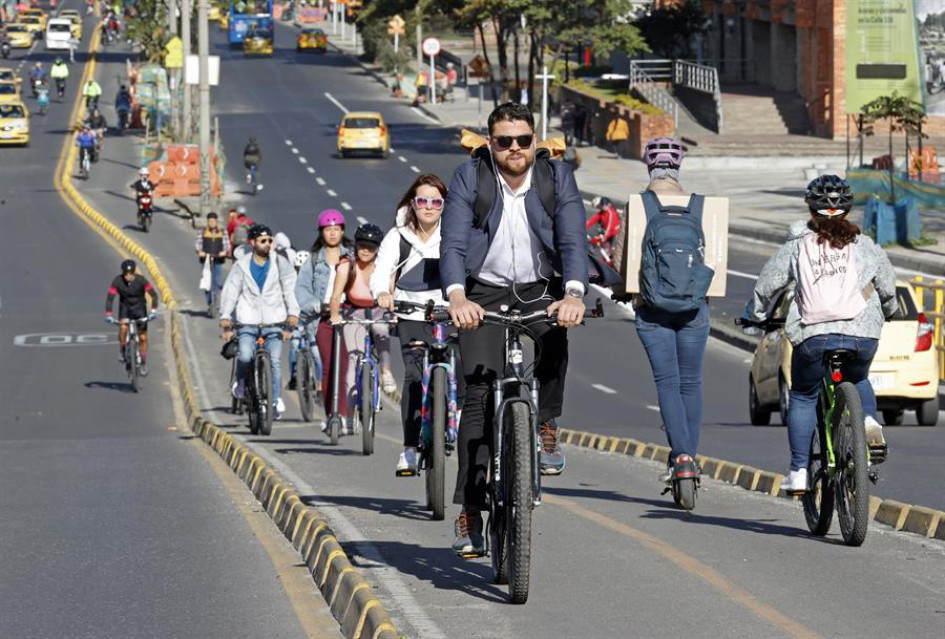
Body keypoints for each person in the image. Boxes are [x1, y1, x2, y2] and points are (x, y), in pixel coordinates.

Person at [440, 102, 589, 556]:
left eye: (523, 140)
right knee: (477, 397)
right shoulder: (470, 177)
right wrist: (456, 296)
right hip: (482, 291)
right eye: (504, 141)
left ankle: (544, 423)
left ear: (534, 141)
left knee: (555, 337)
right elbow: (453, 241)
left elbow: (572, 237)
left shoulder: (555, 176)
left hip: (539, 287)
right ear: (491, 143)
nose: (515, 148)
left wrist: (574, 293)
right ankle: (470, 512)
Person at [746, 175, 898, 492]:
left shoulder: (797, 245)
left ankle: (799, 471)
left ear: (811, 209)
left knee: (803, 395)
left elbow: (767, 285)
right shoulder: (866, 246)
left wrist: (755, 315)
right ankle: (869, 422)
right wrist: (890, 309)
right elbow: (887, 286)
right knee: (858, 378)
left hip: (814, 335)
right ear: (848, 209)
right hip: (861, 334)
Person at [630, 137, 711, 489]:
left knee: (668, 382)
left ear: (649, 166)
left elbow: (624, 260)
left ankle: (680, 457)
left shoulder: (640, 205)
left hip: (652, 309)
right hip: (695, 309)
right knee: (691, 382)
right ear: (679, 167)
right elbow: (715, 261)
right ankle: (689, 460)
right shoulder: (703, 206)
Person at [372, 174, 460, 476]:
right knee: (413, 375)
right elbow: (381, 269)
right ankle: (409, 448)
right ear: (413, 203)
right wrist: (382, 293)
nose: (429, 207)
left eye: (437, 201)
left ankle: (458, 417)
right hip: (411, 312)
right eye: (423, 200)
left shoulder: (455, 232)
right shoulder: (398, 236)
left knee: (463, 364)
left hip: (450, 311)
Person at [219, 224, 300, 422]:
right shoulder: (241, 265)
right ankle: (240, 382)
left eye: (270, 240)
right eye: (263, 241)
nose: (267, 244)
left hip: (274, 320)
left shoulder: (280, 263)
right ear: (253, 242)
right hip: (247, 320)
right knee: (245, 355)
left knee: (275, 361)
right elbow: (231, 291)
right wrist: (226, 316)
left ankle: (275, 399)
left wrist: (293, 313)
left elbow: (290, 289)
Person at [329, 223, 395, 432]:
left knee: (382, 331)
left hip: (378, 310)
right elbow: (336, 296)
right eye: (362, 246)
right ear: (356, 245)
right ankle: (349, 416)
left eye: (371, 247)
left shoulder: (384, 266)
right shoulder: (346, 266)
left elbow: (392, 292)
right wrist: (335, 315)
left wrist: (393, 314)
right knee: (353, 360)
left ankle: (386, 371)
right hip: (354, 312)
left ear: (378, 249)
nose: (366, 250)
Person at [296, 209, 352, 423]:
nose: (332, 233)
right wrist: (315, 305)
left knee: (345, 367)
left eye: (336, 229)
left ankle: (345, 413)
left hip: (348, 315)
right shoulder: (313, 261)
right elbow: (301, 289)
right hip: (322, 318)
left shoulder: (352, 257)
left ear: (342, 231)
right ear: (321, 233)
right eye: (328, 230)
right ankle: (332, 414)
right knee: (328, 366)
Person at [105, 259, 159, 376]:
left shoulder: (141, 281)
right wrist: (108, 314)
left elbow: (154, 295)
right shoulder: (117, 281)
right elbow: (110, 298)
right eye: (125, 274)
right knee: (123, 328)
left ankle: (143, 363)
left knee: (143, 337)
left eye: (130, 274)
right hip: (125, 308)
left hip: (139, 309)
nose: (127, 276)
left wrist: (153, 311)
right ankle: (122, 350)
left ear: (133, 273)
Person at [286, 249, 311, 391]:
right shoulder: (291, 282)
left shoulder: (315, 280)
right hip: (296, 318)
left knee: (315, 347)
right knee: (294, 345)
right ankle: (294, 375)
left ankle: (314, 376)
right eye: (299, 269)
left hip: (311, 318)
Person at [196, 212, 230, 315]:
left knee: (216, 281)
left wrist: (224, 252)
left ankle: (214, 300)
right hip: (206, 259)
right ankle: (209, 301)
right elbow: (198, 244)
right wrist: (200, 251)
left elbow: (227, 245)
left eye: (213, 221)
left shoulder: (222, 232)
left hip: (218, 259)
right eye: (210, 221)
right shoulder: (202, 232)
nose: (211, 223)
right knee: (206, 282)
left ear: (216, 222)